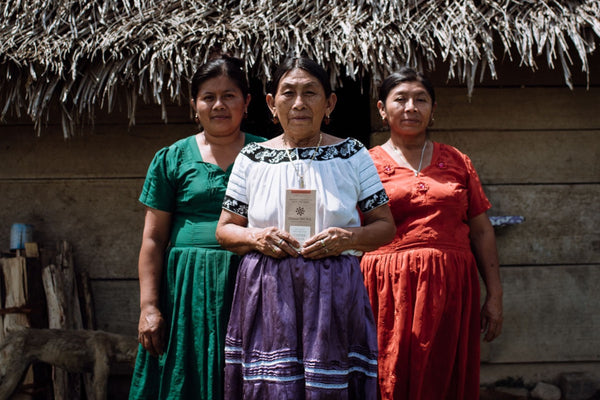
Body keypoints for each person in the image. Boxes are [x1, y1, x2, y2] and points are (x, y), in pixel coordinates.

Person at [215, 57, 396, 399]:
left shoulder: (351, 154)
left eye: (310, 93)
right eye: (288, 93)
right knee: (272, 388)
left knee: (329, 386)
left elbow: (385, 226)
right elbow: (225, 230)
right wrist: (257, 237)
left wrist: (347, 238)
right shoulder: (252, 157)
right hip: (268, 291)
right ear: (271, 103)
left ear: (329, 103)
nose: (298, 103)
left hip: (333, 289)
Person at [360, 67, 504, 400]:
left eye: (420, 99)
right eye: (400, 99)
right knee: (388, 372)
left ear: (433, 109)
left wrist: (494, 295)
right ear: (382, 109)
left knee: (444, 374)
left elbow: (481, 232)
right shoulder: (363, 165)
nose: (411, 107)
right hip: (385, 289)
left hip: (451, 287)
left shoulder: (457, 161)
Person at [129, 55, 266, 400]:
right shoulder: (172, 158)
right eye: (208, 97)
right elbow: (152, 238)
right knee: (183, 373)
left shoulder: (267, 155)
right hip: (185, 288)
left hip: (249, 282)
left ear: (246, 102)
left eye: (229, 95)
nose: (218, 105)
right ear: (194, 105)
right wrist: (149, 307)